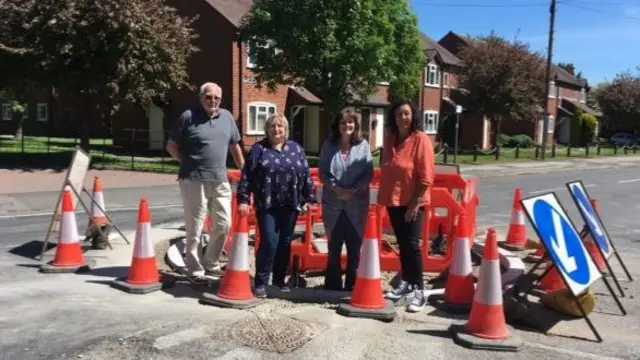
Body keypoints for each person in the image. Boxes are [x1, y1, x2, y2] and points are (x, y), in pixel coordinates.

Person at [166, 82, 245, 280]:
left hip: (220, 179)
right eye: (208, 97)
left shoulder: (227, 117)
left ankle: (211, 261)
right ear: (201, 98)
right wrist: (185, 162)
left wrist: (245, 170)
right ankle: (194, 267)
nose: (213, 101)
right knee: (195, 226)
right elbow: (171, 146)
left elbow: (235, 146)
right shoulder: (188, 117)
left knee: (223, 224)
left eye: (216, 98)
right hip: (194, 179)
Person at [236, 114, 316, 298]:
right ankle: (261, 282)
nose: (276, 129)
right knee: (269, 241)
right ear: (267, 129)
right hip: (267, 205)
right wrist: (243, 199)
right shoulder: (258, 149)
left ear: (285, 129)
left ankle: (279, 280)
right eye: (272, 126)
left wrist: (310, 198)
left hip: (290, 203)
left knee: (285, 243)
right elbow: (247, 176)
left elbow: (306, 175)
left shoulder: (296, 149)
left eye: (280, 126)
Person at [377, 100, 436, 312]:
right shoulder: (390, 138)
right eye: (399, 114)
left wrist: (414, 203)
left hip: (414, 201)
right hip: (394, 201)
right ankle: (407, 283)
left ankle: (419, 290)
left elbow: (426, 176)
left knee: (412, 246)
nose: (403, 118)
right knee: (402, 245)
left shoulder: (421, 139)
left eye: (407, 114)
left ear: (413, 116)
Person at [319, 108, 374, 291]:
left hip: (356, 205)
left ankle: (353, 285)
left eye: (350, 122)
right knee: (334, 247)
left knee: (354, 247)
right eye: (343, 122)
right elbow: (323, 172)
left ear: (356, 125)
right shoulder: (329, 144)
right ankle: (332, 285)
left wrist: (353, 190)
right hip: (333, 204)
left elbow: (368, 173)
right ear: (338, 125)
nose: (347, 126)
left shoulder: (364, 145)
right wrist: (337, 189)